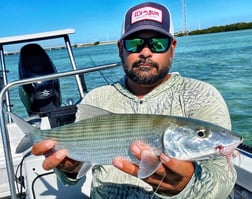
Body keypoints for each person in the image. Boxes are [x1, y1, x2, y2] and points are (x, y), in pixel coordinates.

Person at [32, 2, 237, 198]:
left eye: (158, 43)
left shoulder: (201, 95)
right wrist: (69, 169)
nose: (145, 52)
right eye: (134, 43)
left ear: (172, 47)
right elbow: (73, 178)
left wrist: (185, 186)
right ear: (121, 48)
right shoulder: (96, 98)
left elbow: (224, 178)